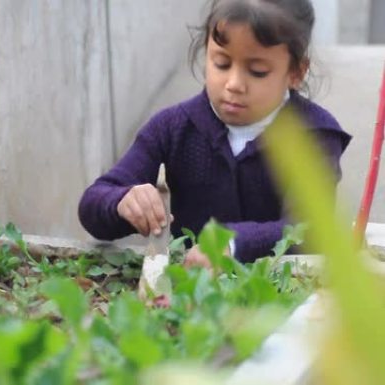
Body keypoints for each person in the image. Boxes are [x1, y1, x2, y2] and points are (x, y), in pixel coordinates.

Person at [77, 0, 351, 266]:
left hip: (280, 300)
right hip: (188, 298)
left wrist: (233, 243)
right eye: (221, 63)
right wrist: (122, 202)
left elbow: (308, 230)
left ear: (295, 72)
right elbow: (93, 205)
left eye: (257, 71)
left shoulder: (314, 136)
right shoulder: (172, 128)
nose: (234, 84)